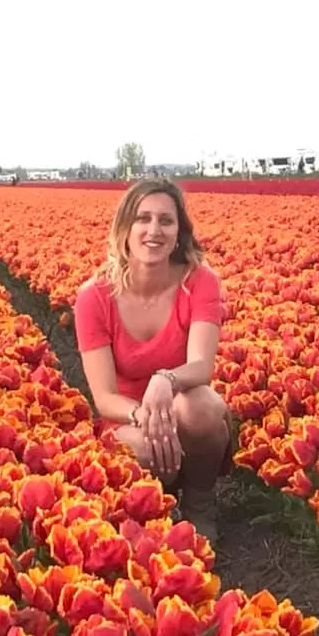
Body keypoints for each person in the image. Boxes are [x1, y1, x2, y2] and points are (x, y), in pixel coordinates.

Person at [72, 179, 234, 542]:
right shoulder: (94, 297)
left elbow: (201, 368)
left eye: (166, 221)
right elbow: (104, 398)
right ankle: (155, 509)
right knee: (141, 448)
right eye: (142, 219)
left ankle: (200, 501)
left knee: (202, 407)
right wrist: (145, 415)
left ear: (179, 232)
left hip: (183, 408)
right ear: (124, 229)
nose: (154, 230)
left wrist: (165, 381)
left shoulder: (200, 281)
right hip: (128, 419)